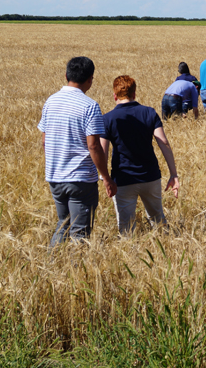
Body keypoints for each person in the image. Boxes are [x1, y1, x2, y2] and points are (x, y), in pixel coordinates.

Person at [38, 56, 116, 246]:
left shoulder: (51, 101)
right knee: (80, 233)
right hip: (80, 179)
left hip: (55, 177)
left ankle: (50, 267)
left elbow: (44, 140)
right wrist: (106, 177)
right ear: (90, 79)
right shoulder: (89, 106)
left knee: (62, 224)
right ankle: (74, 272)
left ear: (66, 75)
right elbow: (94, 146)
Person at [101, 76, 179, 234]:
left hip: (123, 179)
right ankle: (165, 249)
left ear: (115, 95)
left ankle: (129, 256)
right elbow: (163, 142)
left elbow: (102, 151)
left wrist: (105, 178)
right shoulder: (149, 113)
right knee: (158, 220)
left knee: (126, 227)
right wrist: (173, 174)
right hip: (150, 177)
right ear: (134, 94)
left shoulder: (107, 119)